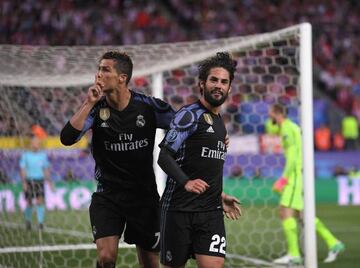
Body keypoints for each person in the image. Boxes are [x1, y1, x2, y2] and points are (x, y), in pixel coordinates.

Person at [60, 50, 175, 268]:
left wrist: (215, 131)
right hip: (108, 196)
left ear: (122, 77)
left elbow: (182, 123)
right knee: (106, 258)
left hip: (143, 197)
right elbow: (67, 138)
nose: (98, 75)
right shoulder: (95, 110)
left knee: (151, 263)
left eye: (105, 70)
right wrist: (88, 103)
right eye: (99, 69)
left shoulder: (148, 107)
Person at [158, 52, 242, 268]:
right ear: (202, 84)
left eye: (224, 82)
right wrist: (186, 182)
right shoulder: (189, 115)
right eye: (214, 80)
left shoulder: (219, 122)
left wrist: (220, 195)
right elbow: (164, 156)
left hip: (211, 212)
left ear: (230, 88)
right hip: (179, 210)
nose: (218, 85)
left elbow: (204, 165)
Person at [269, 104, 345, 265]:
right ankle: (334, 243)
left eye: (271, 114)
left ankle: (294, 254)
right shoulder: (291, 127)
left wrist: (283, 179)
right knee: (303, 215)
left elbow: (293, 156)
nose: (270, 117)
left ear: (278, 113)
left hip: (295, 175)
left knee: (285, 211)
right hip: (299, 174)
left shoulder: (287, 128)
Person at [20, 136, 52, 230]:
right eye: (35, 142)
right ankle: (28, 221)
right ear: (31, 144)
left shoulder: (43, 155)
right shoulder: (25, 155)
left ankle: (40, 223)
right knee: (29, 202)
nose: (37, 144)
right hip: (29, 180)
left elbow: (45, 169)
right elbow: (22, 169)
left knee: (40, 201)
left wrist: (50, 182)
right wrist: (24, 182)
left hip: (40, 181)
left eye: (38, 143)